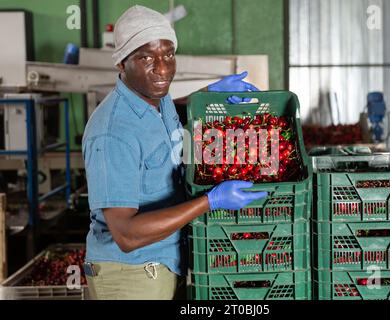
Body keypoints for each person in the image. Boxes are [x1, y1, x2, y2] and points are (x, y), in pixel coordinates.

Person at [82, 5, 267, 300]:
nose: (163, 68)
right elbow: (126, 235)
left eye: (168, 54)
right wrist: (211, 200)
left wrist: (207, 94)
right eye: (146, 57)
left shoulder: (155, 99)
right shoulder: (113, 132)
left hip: (164, 264)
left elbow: (170, 113)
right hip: (131, 276)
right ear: (121, 64)